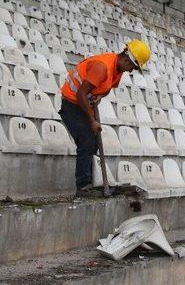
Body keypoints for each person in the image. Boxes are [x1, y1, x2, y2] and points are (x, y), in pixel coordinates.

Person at [59, 39, 151, 197]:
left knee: (93, 142)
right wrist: (93, 120)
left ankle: (88, 183)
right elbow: (81, 93)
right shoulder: (102, 67)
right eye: (132, 67)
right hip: (72, 103)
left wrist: (100, 96)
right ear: (126, 58)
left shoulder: (118, 69)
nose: (131, 71)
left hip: (83, 102)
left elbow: (108, 87)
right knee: (86, 140)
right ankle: (82, 187)